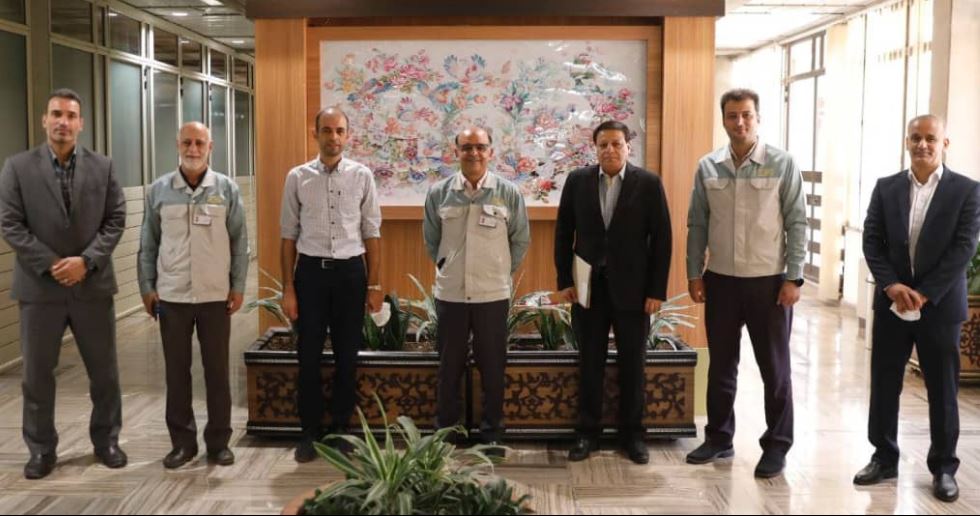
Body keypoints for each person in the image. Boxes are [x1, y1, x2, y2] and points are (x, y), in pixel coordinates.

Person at [0, 88, 128, 479]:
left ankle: (106, 441)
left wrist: (86, 262)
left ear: (81, 123)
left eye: (71, 116)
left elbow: (116, 219)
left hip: (92, 286)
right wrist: (54, 264)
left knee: (104, 374)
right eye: (56, 114)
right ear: (44, 120)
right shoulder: (17, 167)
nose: (63, 122)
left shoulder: (103, 166)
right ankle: (41, 450)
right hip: (40, 289)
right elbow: (10, 224)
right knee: (37, 376)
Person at [854, 115, 980, 503]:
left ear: (944, 144)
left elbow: (964, 248)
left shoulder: (967, 191)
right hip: (892, 304)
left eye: (930, 138)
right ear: (906, 142)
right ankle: (883, 457)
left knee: (942, 389)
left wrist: (924, 294)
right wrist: (891, 286)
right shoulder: (886, 187)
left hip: (939, 307)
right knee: (884, 383)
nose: (922, 144)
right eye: (915, 138)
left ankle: (944, 468)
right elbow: (872, 240)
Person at [684, 88, 807, 478]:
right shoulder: (708, 166)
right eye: (732, 115)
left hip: (769, 283)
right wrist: (693, 272)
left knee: (775, 369)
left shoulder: (782, 163)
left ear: (758, 118)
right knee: (721, 365)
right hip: (721, 280)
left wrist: (794, 277)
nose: (740, 122)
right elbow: (697, 223)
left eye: (747, 115)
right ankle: (719, 438)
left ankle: (777, 445)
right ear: (723, 119)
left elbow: (797, 222)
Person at [554, 120, 672, 464]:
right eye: (603, 144)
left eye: (616, 144)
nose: (609, 150)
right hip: (588, 290)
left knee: (633, 364)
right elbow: (563, 233)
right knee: (590, 362)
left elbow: (662, 240)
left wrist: (656, 291)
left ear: (628, 147)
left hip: (634, 292)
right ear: (595, 148)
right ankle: (586, 434)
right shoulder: (577, 181)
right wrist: (564, 281)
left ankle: (632, 435)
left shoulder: (648, 183)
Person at [138, 121, 249, 469]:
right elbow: (147, 244)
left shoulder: (226, 189)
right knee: (176, 373)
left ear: (210, 147)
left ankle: (218, 443)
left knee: (217, 372)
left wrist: (238, 286)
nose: (193, 149)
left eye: (200, 143)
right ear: (177, 145)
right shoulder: (159, 191)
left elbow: (240, 242)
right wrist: (147, 287)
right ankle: (182, 444)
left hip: (215, 296)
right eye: (187, 142)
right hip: (172, 297)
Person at [280, 107, 383, 462]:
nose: (333, 137)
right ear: (316, 134)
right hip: (310, 275)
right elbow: (287, 236)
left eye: (339, 130)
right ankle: (309, 431)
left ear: (347, 135)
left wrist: (374, 284)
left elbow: (372, 232)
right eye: (326, 130)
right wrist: (288, 288)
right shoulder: (297, 177)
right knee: (307, 356)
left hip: (351, 275)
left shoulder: (362, 176)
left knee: (347, 356)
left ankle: (341, 428)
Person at [423, 126, 530, 453]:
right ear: (456, 152)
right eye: (467, 147)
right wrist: (448, 268)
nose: (474, 153)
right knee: (449, 368)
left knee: (493, 368)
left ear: (490, 152)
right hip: (451, 295)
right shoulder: (439, 193)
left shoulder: (508, 193)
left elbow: (520, 240)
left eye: (480, 147)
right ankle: (446, 433)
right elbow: (431, 240)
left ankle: (492, 433)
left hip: (492, 295)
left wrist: (498, 270)